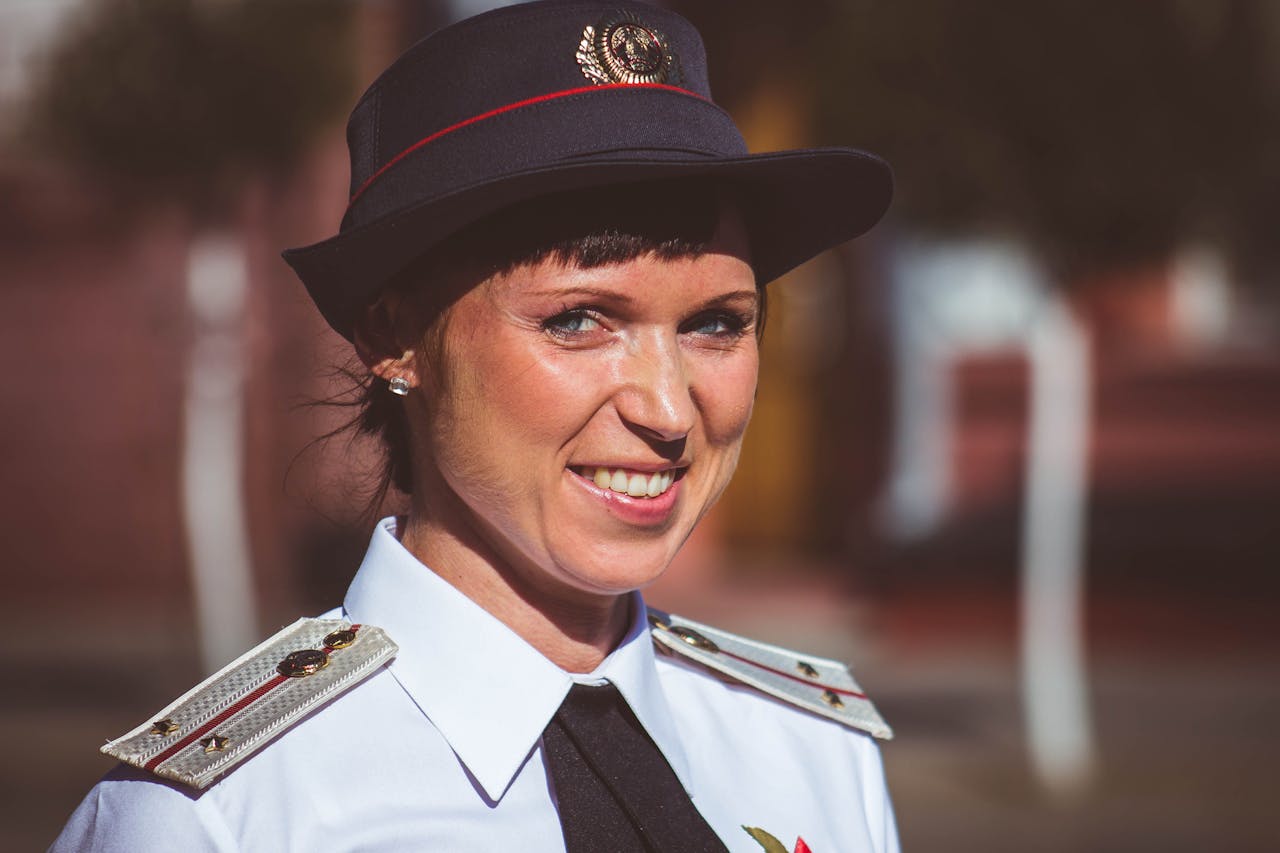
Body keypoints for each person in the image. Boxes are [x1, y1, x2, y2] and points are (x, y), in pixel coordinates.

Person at [53, 1, 897, 850]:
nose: (670, 410)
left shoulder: (818, 752)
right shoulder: (224, 818)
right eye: (578, 319)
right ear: (394, 339)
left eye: (716, 323)